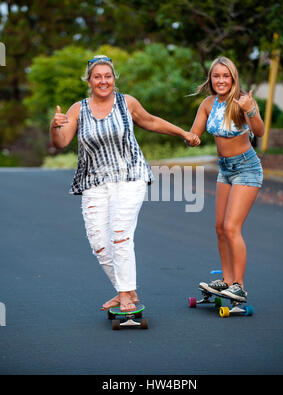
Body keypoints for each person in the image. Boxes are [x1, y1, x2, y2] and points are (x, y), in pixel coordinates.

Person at [50, 55, 200, 312]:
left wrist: (183, 133)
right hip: (94, 182)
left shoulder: (126, 102)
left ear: (114, 79)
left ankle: (126, 296)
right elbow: (61, 142)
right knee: (99, 243)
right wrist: (54, 127)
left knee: (120, 236)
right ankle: (127, 292)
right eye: (97, 77)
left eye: (107, 76)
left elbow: (151, 121)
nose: (103, 81)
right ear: (89, 80)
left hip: (130, 177)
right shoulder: (78, 109)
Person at [190, 56, 264, 302]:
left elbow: (260, 131)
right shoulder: (208, 104)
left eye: (225, 76)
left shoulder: (242, 101)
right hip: (225, 169)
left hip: (247, 168)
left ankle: (239, 286)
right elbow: (195, 133)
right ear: (210, 78)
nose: (220, 80)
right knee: (220, 227)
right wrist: (188, 137)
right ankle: (228, 280)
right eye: (216, 76)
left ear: (233, 78)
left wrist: (250, 111)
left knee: (232, 227)